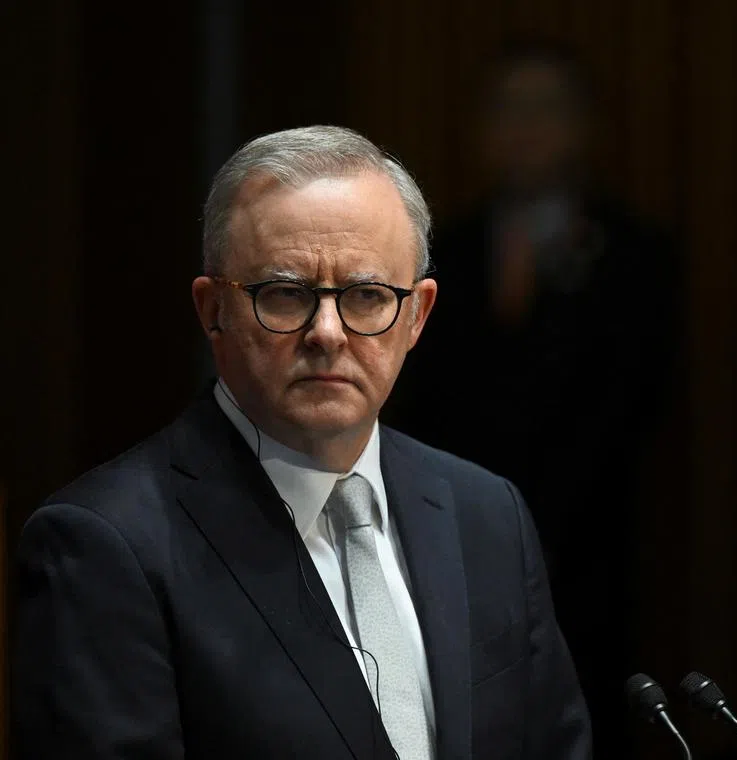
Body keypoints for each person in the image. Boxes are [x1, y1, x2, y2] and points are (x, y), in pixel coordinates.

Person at [13, 126, 592, 760]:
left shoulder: (488, 515)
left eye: (367, 296)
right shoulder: (104, 545)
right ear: (212, 310)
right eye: (286, 295)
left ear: (417, 315)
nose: (327, 333)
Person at [390, 43, 678, 758]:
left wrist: (530, 529)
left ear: (586, 127)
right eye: (507, 109)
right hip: (444, 543)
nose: (525, 129)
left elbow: (625, 410)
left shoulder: (633, 252)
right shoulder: (433, 252)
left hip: (581, 552)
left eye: (545, 109)